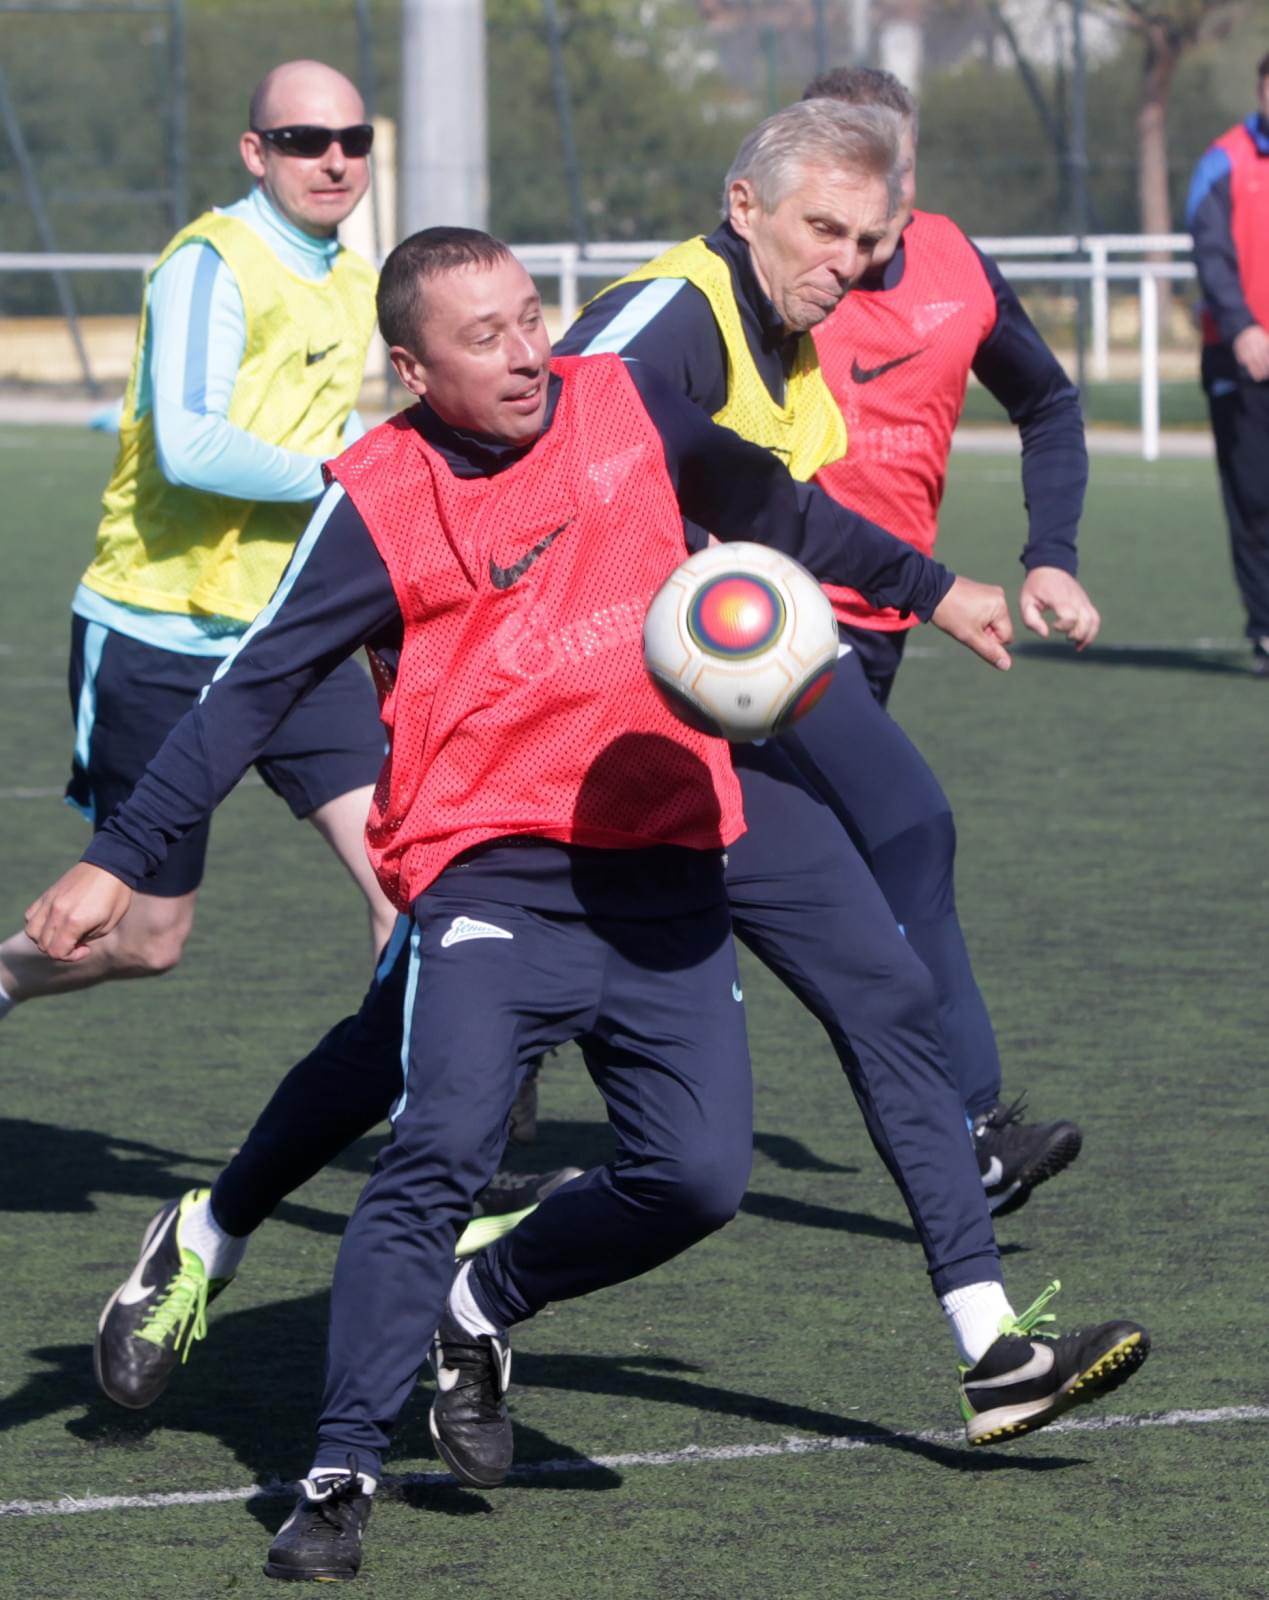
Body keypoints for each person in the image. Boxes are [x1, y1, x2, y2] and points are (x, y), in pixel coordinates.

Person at [26, 226, 1148, 1583]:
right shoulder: (381, 496)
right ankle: (289, 1378)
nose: (527, 352)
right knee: (419, 1106)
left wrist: (935, 587)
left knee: (755, 1115)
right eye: (484, 335)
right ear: (412, 369)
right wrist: (122, 854)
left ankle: (949, 1337)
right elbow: (252, 687)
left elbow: (771, 502)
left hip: (672, 823)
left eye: (531, 317)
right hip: (495, 853)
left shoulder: (617, 400)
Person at [559, 96, 1081, 1214]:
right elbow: (559, 431)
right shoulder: (675, 311)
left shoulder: (788, 333)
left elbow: (777, 507)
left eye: (868, 238)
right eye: (826, 229)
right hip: (614, 667)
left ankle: (967, 1141)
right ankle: (399, 1119)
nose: (849, 261)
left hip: (741, 641)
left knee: (900, 827)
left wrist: (932, 588)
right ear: (746, 205)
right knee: (551, 912)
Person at [0, 58, 394, 1027]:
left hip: (292, 637)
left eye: (352, 141)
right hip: (157, 635)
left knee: (410, 883)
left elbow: (333, 433)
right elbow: (191, 446)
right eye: (305, 141)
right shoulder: (208, 262)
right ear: (256, 152)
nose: (334, 160)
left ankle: (435, 1115)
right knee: (146, 939)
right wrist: (353, 474)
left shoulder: (357, 281)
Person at [1186, 50, 1269, 678]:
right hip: (1241, 360)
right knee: (1255, 499)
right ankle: (1266, 627)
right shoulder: (1223, 161)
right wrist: (1242, 327)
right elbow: (1211, 253)